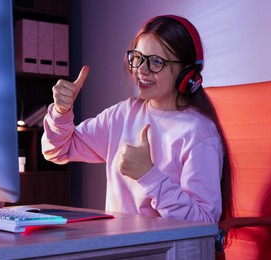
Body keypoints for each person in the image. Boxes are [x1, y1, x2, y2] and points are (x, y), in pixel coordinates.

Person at [41, 15, 233, 223]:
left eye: (156, 62)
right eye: (138, 58)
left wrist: (149, 175)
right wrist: (61, 111)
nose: (141, 69)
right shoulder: (123, 114)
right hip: (120, 244)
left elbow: (204, 223)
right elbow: (58, 151)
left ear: (187, 73)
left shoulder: (198, 133)